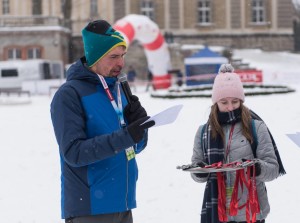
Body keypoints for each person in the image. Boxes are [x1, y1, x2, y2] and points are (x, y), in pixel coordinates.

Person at [50, 19, 155, 223]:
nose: (121, 63)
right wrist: (126, 136)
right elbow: (74, 153)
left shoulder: (117, 90)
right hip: (90, 209)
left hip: (123, 204)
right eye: (113, 57)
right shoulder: (69, 95)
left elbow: (133, 148)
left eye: (122, 55)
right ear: (94, 57)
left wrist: (140, 130)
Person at [190, 64, 285, 223]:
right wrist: (200, 171)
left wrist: (257, 168)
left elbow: (273, 169)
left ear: (241, 100)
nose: (230, 107)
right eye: (224, 102)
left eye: (235, 101)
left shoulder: (256, 127)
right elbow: (196, 171)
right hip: (218, 212)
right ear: (216, 103)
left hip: (251, 211)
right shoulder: (203, 132)